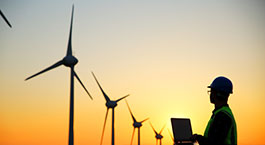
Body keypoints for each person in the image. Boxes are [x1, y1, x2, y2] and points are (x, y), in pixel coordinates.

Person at [192, 76, 237, 145]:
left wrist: (198, 138)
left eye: (211, 91)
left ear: (217, 93)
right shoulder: (223, 113)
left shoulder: (222, 116)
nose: (210, 94)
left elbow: (213, 143)